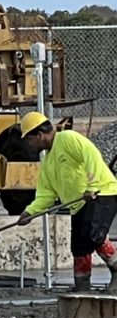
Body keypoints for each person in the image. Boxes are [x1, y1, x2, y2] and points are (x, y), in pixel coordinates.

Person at [17, 112, 117, 291]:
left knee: (93, 236)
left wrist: (93, 186)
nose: (30, 145)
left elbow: (91, 155)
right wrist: (30, 212)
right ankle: (82, 287)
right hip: (79, 204)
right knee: (79, 247)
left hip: (101, 193)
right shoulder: (48, 162)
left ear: (39, 135)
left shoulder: (67, 138)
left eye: (30, 140)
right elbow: (46, 194)